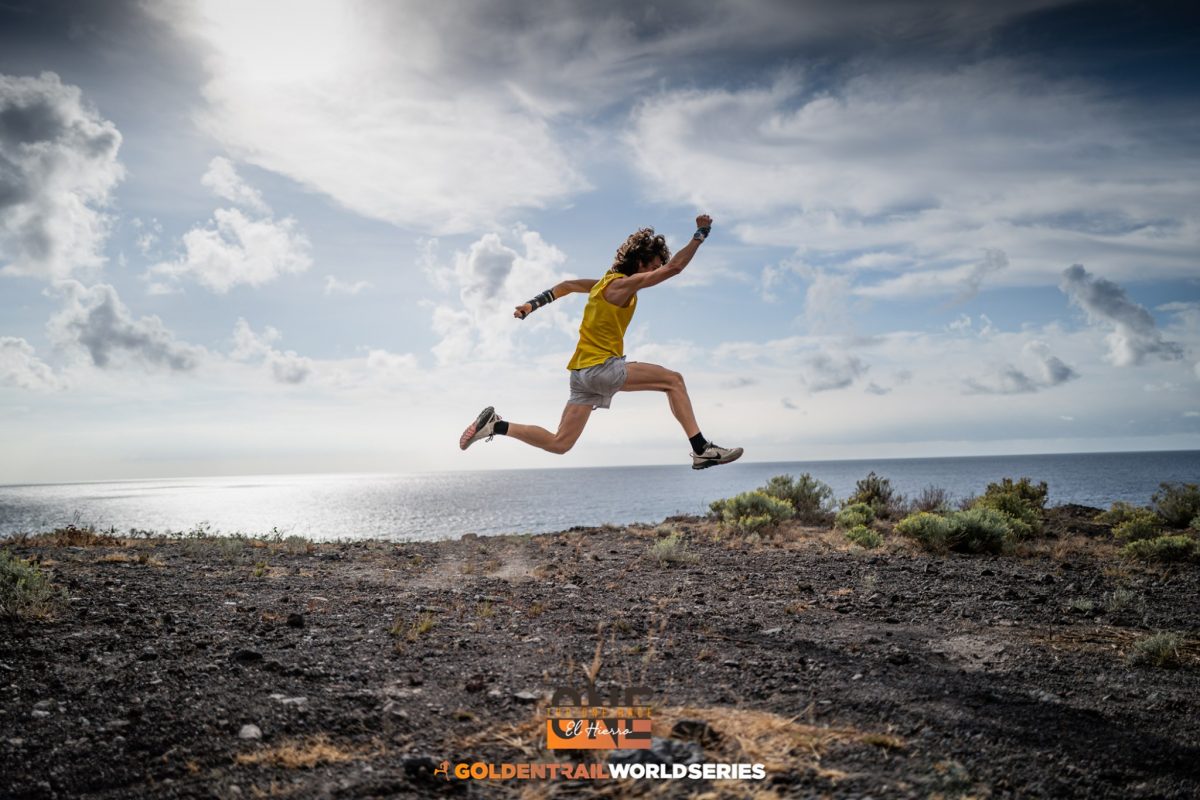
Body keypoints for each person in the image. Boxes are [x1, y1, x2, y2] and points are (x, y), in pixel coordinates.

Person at [458, 214, 742, 470]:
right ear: (639, 261)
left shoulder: (602, 285)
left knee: (560, 443)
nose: (654, 271)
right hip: (601, 369)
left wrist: (531, 306)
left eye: (657, 266)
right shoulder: (620, 286)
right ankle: (701, 449)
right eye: (652, 266)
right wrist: (700, 234)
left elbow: (567, 286)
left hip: (580, 376)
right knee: (674, 381)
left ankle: (498, 426)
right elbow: (675, 268)